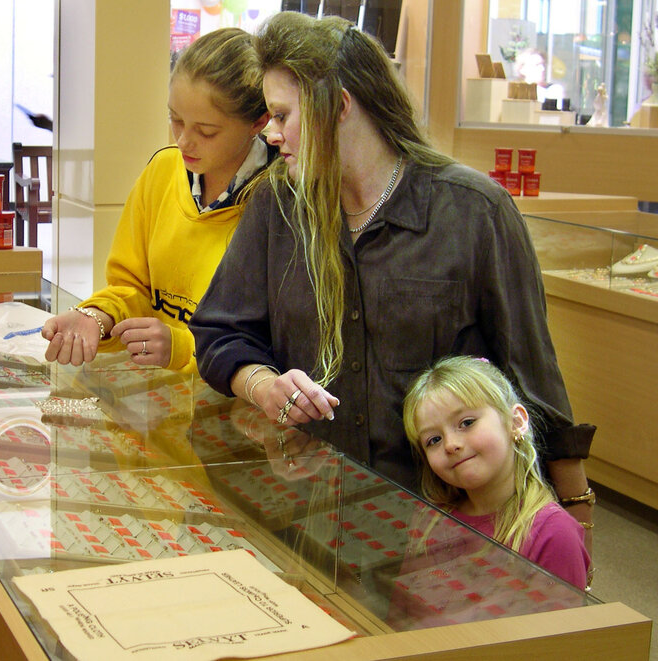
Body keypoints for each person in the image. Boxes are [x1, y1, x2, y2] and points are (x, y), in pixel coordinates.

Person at [190, 13, 595, 534]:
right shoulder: (278, 204)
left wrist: (576, 505)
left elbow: (534, 375)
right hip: (310, 512)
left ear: (337, 106)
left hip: (447, 528)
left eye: (281, 115)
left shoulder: (474, 211)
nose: (270, 134)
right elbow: (221, 333)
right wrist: (264, 385)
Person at [41, 27, 274, 373]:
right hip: (158, 399)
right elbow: (130, 287)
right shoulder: (163, 172)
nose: (183, 141)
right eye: (175, 119)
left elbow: (273, 343)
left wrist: (181, 347)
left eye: (206, 131)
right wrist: (97, 316)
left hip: (239, 415)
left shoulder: (279, 199)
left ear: (259, 122)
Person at [402, 355, 590, 588]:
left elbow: (563, 624)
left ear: (516, 421)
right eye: (434, 440)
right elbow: (403, 612)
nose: (450, 445)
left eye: (467, 423)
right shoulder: (429, 518)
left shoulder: (555, 534)